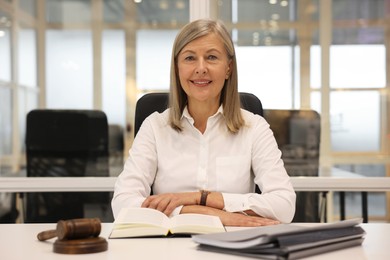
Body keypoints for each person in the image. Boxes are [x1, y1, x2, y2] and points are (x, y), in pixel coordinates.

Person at [112, 19, 296, 226]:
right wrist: (217, 215)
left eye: (211, 57)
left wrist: (199, 198)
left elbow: (284, 206)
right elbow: (122, 204)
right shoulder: (154, 127)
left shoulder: (254, 127)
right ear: (177, 68)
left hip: (233, 248)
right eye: (190, 58)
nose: (201, 68)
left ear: (228, 68)